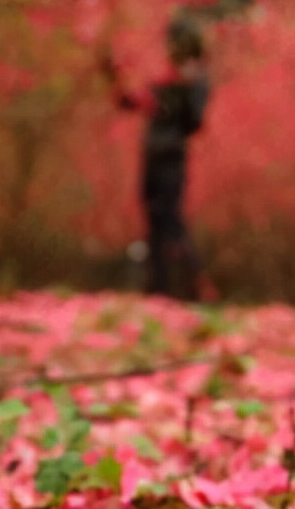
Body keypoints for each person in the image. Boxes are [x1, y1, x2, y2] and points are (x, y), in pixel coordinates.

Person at [101, 11, 215, 301]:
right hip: (152, 154)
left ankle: (193, 283)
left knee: (171, 219)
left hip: (172, 156)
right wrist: (113, 77)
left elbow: (194, 121)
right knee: (152, 219)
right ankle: (158, 286)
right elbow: (132, 102)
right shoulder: (163, 80)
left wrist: (177, 94)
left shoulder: (195, 81)